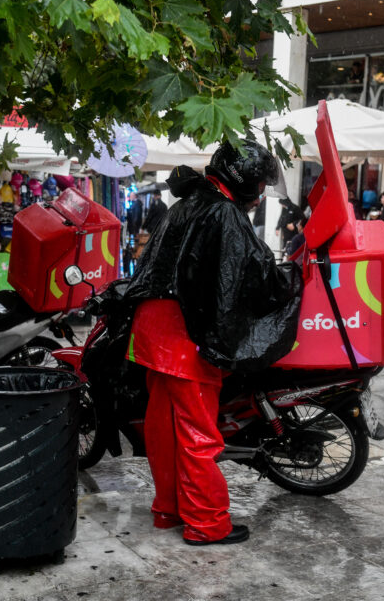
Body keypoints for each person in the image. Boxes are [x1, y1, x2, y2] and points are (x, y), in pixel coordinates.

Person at [123, 141, 302, 546]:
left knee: (164, 429)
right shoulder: (223, 212)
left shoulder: (186, 204)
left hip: (152, 331)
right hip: (185, 337)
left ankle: (168, 510)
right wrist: (293, 278)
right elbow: (253, 276)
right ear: (243, 181)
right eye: (257, 185)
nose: (258, 195)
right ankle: (206, 524)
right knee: (197, 434)